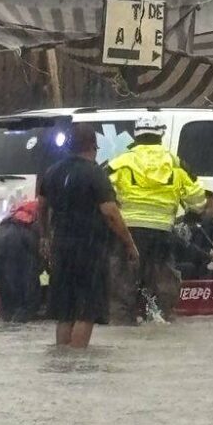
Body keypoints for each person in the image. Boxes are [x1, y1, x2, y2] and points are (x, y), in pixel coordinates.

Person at [39, 121, 139, 348]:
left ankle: (62, 359)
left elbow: (42, 206)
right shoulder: (95, 174)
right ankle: (77, 361)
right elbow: (111, 213)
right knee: (86, 310)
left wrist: (44, 237)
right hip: (89, 250)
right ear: (93, 146)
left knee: (65, 311)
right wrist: (129, 244)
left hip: (61, 248)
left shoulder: (52, 172)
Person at [108, 113, 206, 317]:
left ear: (136, 136)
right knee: (164, 286)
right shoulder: (175, 163)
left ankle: (122, 325)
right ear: (160, 135)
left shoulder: (120, 162)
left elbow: (102, 191)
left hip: (129, 232)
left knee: (122, 286)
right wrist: (193, 213)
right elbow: (197, 196)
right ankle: (163, 321)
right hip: (161, 234)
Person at [0, 197, 43, 322]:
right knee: (26, 301)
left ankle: (7, 318)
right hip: (17, 241)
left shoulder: (20, 208)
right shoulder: (44, 212)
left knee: (7, 295)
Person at [173, 191, 213, 280]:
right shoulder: (212, 222)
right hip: (196, 274)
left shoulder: (177, 222)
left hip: (172, 272)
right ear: (203, 209)